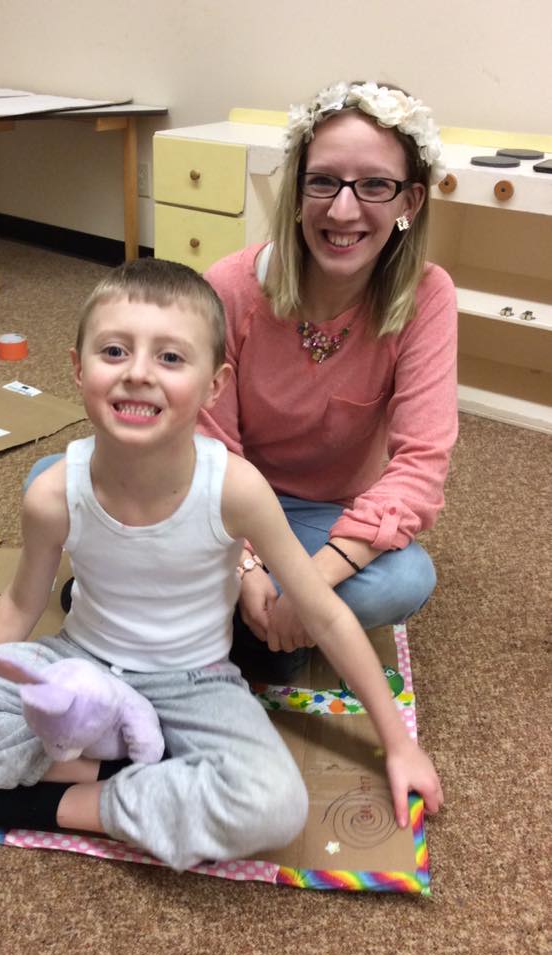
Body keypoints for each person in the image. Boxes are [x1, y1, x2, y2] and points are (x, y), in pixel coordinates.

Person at [0, 258, 443, 873]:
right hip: (79, 662)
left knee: (274, 807)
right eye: (114, 351)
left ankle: (53, 802)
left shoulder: (236, 488)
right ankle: (124, 766)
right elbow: (20, 602)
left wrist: (398, 745)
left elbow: (324, 614)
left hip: (194, 682)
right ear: (78, 368)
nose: (138, 373)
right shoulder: (53, 492)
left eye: (170, 358)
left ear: (215, 386)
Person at [198, 80, 459, 682]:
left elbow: (420, 465)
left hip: (322, 517)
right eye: (323, 182)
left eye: (374, 185)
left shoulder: (428, 296)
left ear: (410, 201)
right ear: (296, 191)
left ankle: (210, 617)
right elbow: (208, 450)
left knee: (405, 579)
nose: (343, 211)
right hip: (226, 505)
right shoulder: (230, 286)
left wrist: (311, 585)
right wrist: (244, 566)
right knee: (60, 484)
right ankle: (268, 631)